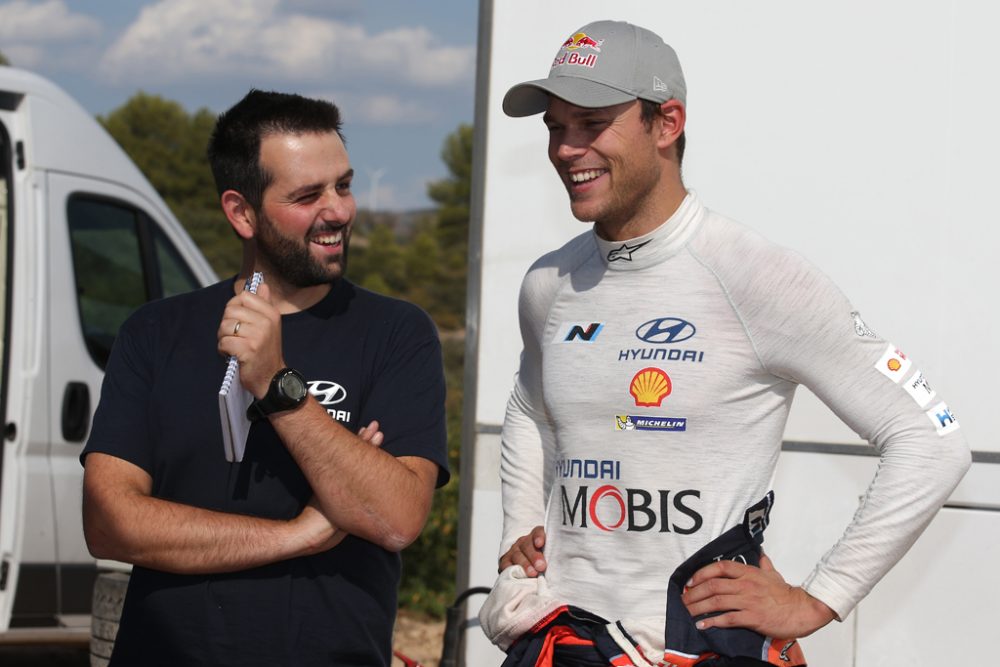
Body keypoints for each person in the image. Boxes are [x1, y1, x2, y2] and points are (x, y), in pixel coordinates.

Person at [478, 19, 971, 667]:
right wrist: (519, 536)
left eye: (591, 122)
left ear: (667, 122)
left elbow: (931, 439)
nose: (567, 148)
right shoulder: (549, 281)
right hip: (562, 641)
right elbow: (528, 404)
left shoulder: (757, 275)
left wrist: (819, 596)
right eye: (555, 125)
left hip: (696, 647)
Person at [81, 90, 449, 666]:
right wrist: (296, 536)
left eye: (344, 185)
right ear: (242, 212)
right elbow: (109, 522)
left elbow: (397, 517)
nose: (339, 211)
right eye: (308, 195)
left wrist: (279, 385)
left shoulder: (396, 332)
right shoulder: (155, 331)